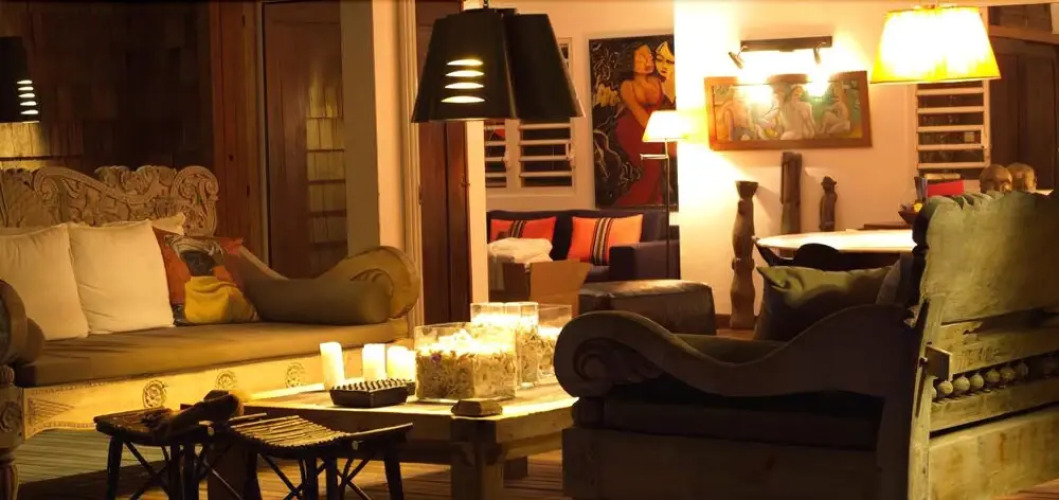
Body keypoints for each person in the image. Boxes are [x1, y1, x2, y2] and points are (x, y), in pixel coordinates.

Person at [613, 43, 670, 206]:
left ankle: (655, 206)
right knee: (650, 169)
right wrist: (660, 135)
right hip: (633, 132)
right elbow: (639, 114)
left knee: (658, 170)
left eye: (649, 55)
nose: (648, 59)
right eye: (642, 56)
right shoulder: (627, 85)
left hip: (654, 130)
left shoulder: (657, 81)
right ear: (630, 61)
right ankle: (630, 208)